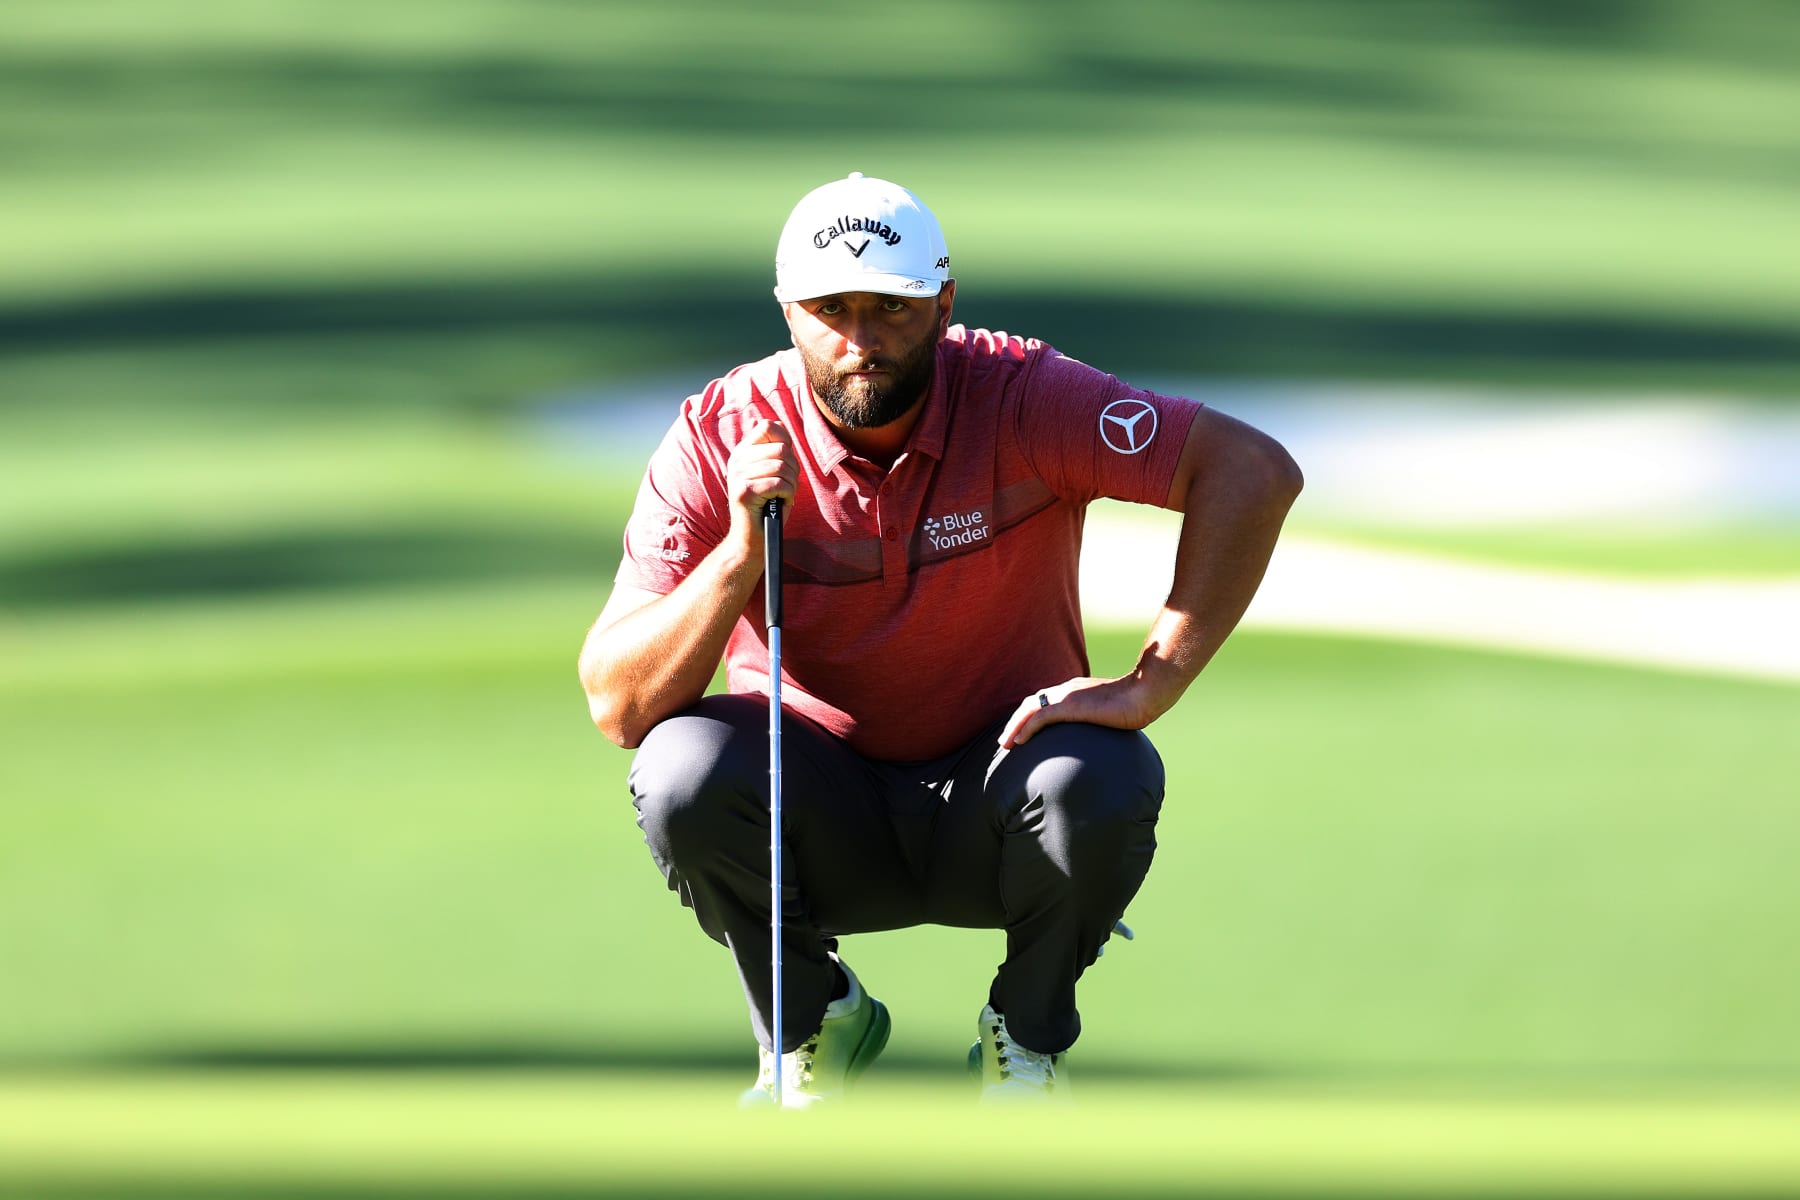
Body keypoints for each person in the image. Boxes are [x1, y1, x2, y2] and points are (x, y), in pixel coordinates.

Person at [578, 172, 1301, 1106]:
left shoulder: (1021, 397)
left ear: (945, 303)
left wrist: (1150, 683)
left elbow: (1250, 468)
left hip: (997, 805)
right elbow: (618, 706)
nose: (860, 341)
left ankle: (1026, 1043)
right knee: (680, 769)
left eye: (893, 308)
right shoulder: (724, 434)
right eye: (830, 309)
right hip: (816, 820)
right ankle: (811, 1023)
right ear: (786, 309)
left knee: (1100, 772)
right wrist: (737, 550)